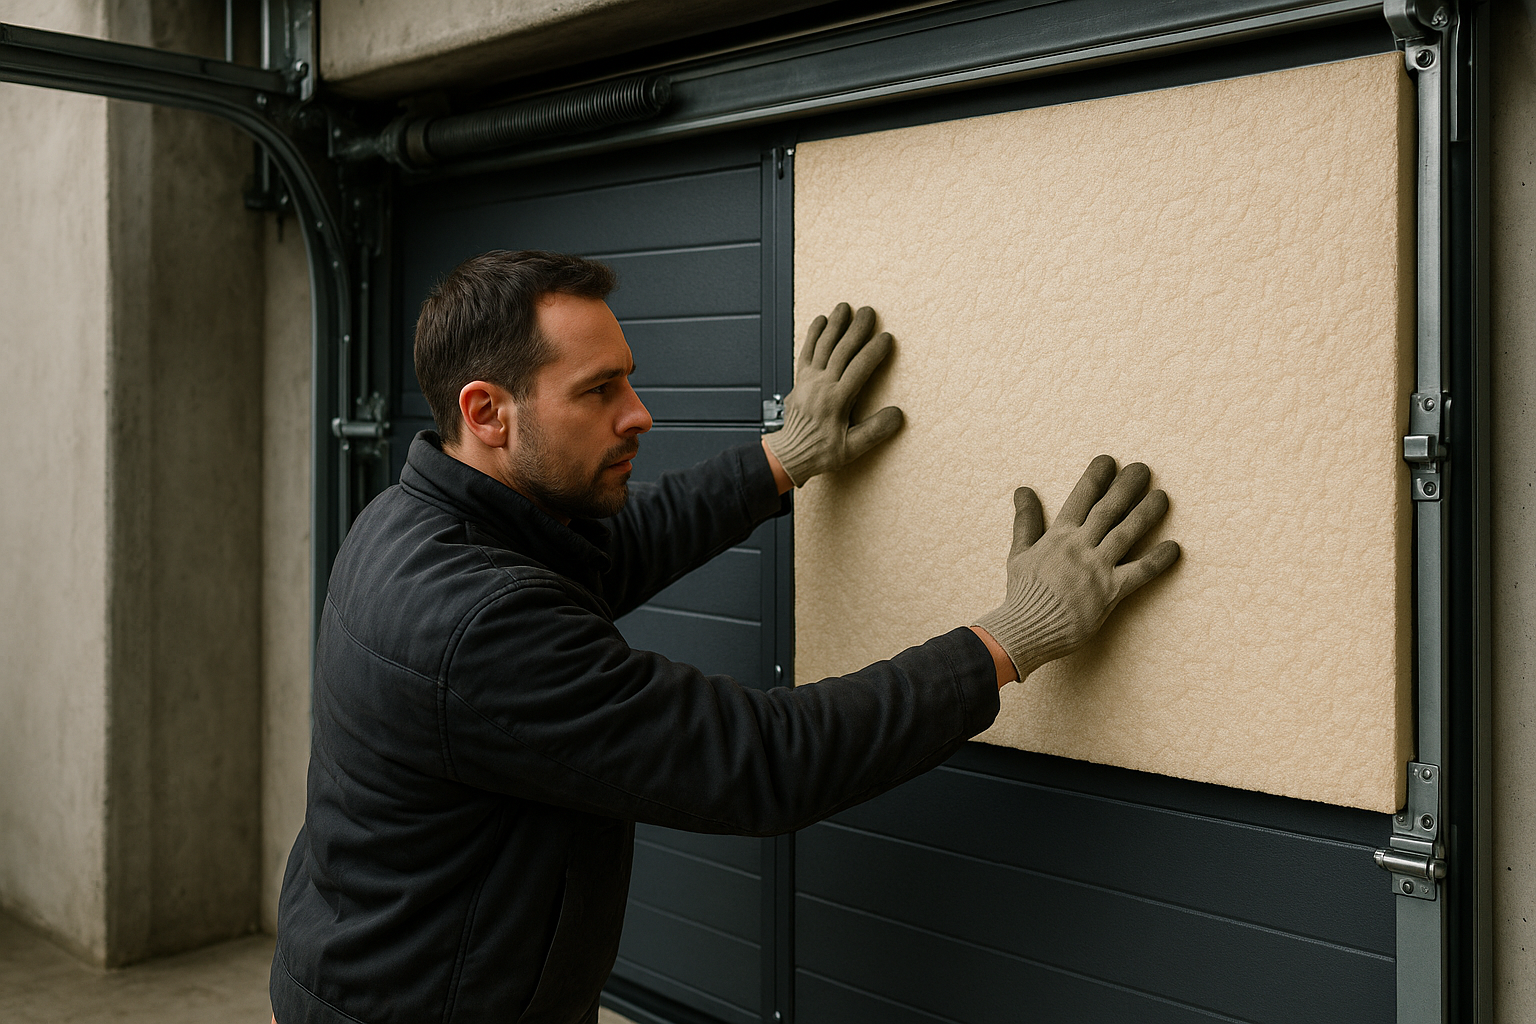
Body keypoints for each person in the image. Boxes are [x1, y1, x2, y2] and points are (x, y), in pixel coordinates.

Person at [269, 250, 1180, 1024]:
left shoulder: (421, 517)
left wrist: (785, 456)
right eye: (599, 390)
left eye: (627, 376)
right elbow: (764, 760)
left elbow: (614, 549)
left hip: (369, 974)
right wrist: (1011, 637)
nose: (639, 413)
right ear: (487, 412)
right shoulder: (478, 621)